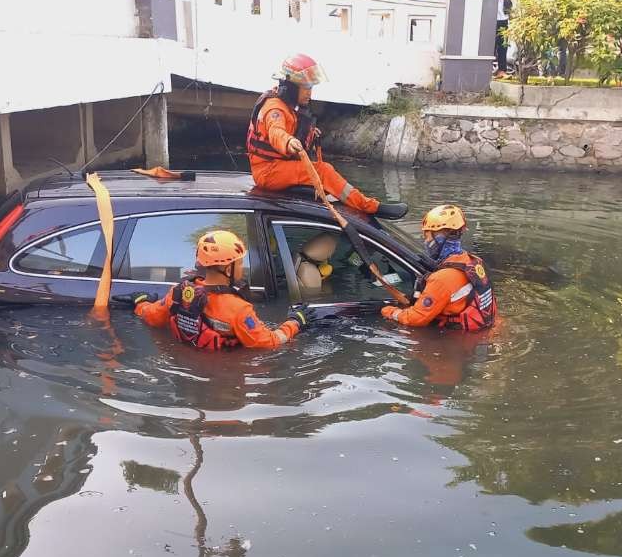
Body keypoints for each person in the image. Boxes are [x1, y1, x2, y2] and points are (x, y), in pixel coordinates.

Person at [247, 53, 408, 220]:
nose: (310, 93)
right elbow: (276, 132)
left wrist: (307, 133)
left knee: (321, 171)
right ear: (291, 87)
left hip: (275, 167)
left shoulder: (287, 105)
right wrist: (288, 141)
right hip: (268, 171)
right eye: (307, 88)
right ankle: (370, 207)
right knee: (323, 171)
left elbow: (285, 128)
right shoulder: (275, 109)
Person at [134, 230, 315, 349]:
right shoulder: (239, 310)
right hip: (224, 374)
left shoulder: (178, 292)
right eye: (240, 262)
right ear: (228, 269)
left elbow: (152, 317)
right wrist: (294, 323)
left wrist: (140, 303)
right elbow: (268, 343)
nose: (242, 267)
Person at [381, 205, 497, 330]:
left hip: (458, 340)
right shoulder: (473, 261)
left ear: (441, 237)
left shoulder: (442, 279)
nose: (426, 241)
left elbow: (416, 319)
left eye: (427, 235)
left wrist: (390, 311)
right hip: (486, 327)